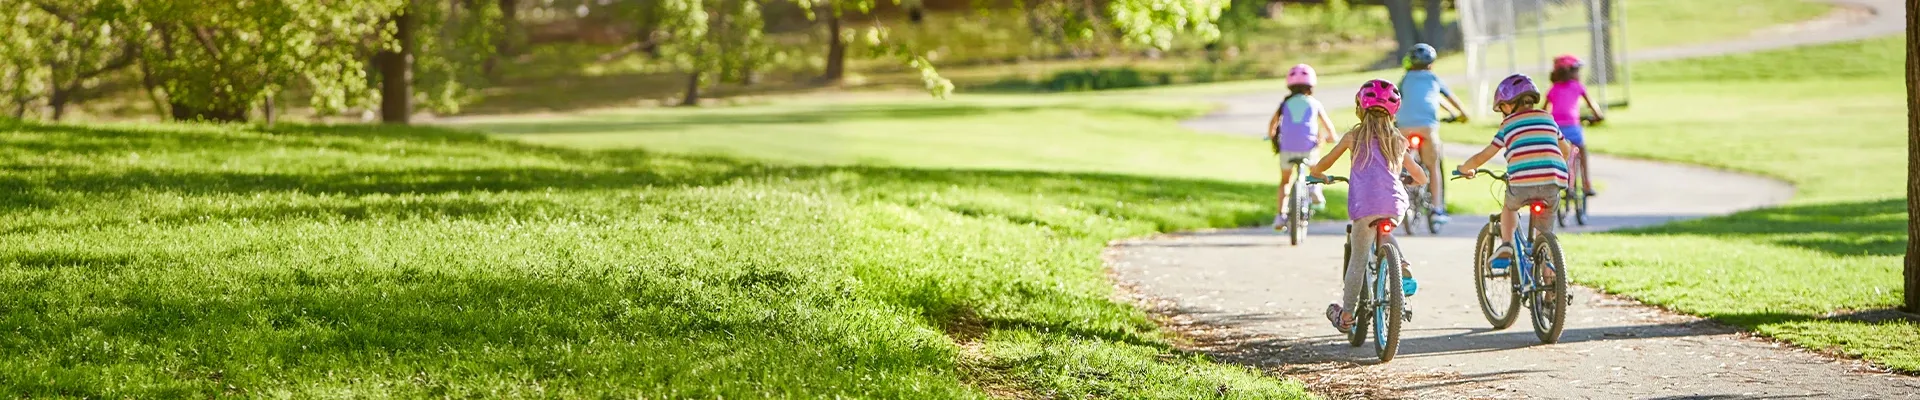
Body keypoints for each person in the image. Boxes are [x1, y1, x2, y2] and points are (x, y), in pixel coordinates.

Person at [1310, 79, 1428, 333]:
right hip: (1395, 204)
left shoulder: (1353, 136)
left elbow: (1322, 165)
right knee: (1385, 233)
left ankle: (1348, 315)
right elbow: (1421, 176)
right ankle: (1403, 265)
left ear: (1360, 109)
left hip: (1364, 206)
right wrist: (1408, 179)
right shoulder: (1398, 140)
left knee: (1359, 258)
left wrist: (1319, 175)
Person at [1454, 74, 1573, 276]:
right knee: (1544, 235)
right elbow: (1566, 150)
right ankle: (1551, 289)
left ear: (1509, 105)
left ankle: (1507, 244)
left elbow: (1485, 154)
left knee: (1509, 208)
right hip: (1553, 181)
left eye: (1501, 108)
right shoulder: (1547, 118)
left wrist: (1465, 168)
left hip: (1522, 183)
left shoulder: (1508, 124)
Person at [1395, 43, 1468, 224]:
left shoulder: (1405, 79)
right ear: (1431, 64)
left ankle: (1396, 200)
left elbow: (1398, 98)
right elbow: (1446, 98)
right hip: (1427, 128)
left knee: (1399, 162)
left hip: (1404, 126)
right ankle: (1437, 209)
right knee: (1433, 166)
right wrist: (1463, 115)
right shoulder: (1434, 79)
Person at [1267, 64, 1338, 230]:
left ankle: (1280, 216)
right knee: (1315, 166)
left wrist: (1271, 136)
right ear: (1311, 85)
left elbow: (1272, 125)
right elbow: (1329, 129)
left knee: (1285, 181)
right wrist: (1330, 138)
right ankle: (1314, 188)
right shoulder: (1314, 103)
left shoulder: (1284, 103)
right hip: (1308, 148)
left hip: (1286, 149)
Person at [1546, 54, 1604, 197]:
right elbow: (1591, 104)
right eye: (1577, 70)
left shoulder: (1553, 89)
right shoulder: (1577, 87)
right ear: (1570, 72)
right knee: (1582, 150)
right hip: (1573, 127)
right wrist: (1598, 116)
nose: (1579, 74)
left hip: (1557, 129)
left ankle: (1563, 183)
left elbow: (1544, 109)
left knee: (1560, 154)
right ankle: (1587, 185)